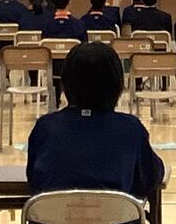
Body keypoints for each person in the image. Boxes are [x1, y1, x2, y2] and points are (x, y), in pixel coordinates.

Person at [26, 43, 164, 209]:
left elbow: (34, 179)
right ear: (117, 84)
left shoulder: (45, 127)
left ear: (65, 83)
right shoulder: (130, 128)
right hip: (115, 218)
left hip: (51, 218)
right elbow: (151, 177)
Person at [43, 0, 88, 106]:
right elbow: (84, 48)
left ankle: (55, 99)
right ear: (69, 2)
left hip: (53, 68)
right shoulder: (79, 25)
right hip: (74, 67)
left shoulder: (46, 25)